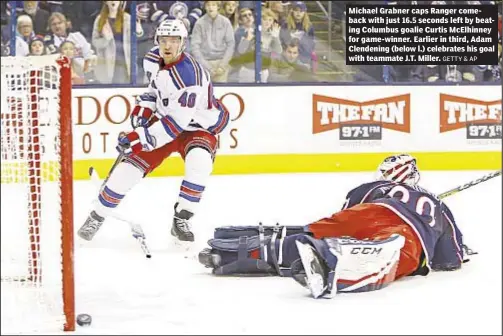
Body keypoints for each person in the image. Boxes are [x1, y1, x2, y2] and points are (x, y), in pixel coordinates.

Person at [198, 154, 470, 298]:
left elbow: (349, 212)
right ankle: (333, 258)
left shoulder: (374, 187)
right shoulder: (439, 208)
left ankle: (250, 249)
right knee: (389, 251)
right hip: (408, 233)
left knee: (315, 230)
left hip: (368, 211)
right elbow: (451, 259)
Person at [78, 17, 230, 243]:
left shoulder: (190, 78)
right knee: (126, 171)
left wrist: (136, 138)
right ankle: (96, 216)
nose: (167, 45)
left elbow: (174, 126)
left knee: (199, 161)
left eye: (174, 40)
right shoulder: (152, 59)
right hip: (167, 119)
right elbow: (155, 89)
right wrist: (144, 107)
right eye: (163, 40)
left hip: (198, 126)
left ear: (183, 43)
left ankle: (182, 218)